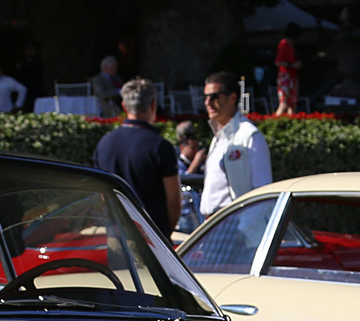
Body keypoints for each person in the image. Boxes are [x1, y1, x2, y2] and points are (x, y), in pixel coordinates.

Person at [93, 78, 182, 238]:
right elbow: (174, 199)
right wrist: (165, 234)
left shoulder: (104, 143)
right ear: (153, 105)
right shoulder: (160, 146)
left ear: (124, 106)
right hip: (152, 239)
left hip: (117, 236)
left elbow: (101, 196)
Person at [199, 70, 271, 217]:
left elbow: (263, 192)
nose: (208, 102)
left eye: (214, 97)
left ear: (232, 98)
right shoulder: (218, 137)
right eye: (205, 97)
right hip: (213, 223)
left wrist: (245, 228)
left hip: (235, 224)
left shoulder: (250, 136)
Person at [174, 120, 208, 233]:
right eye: (192, 148)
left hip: (199, 212)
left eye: (196, 148)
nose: (195, 152)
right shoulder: (177, 164)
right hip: (185, 215)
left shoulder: (201, 165)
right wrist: (196, 162)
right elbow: (184, 179)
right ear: (182, 148)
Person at [273, 35, 300, 116]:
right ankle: (274, 124)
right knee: (283, 103)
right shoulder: (284, 43)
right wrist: (292, 65)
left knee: (293, 104)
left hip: (292, 77)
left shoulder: (290, 45)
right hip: (285, 77)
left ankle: (291, 125)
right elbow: (278, 62)